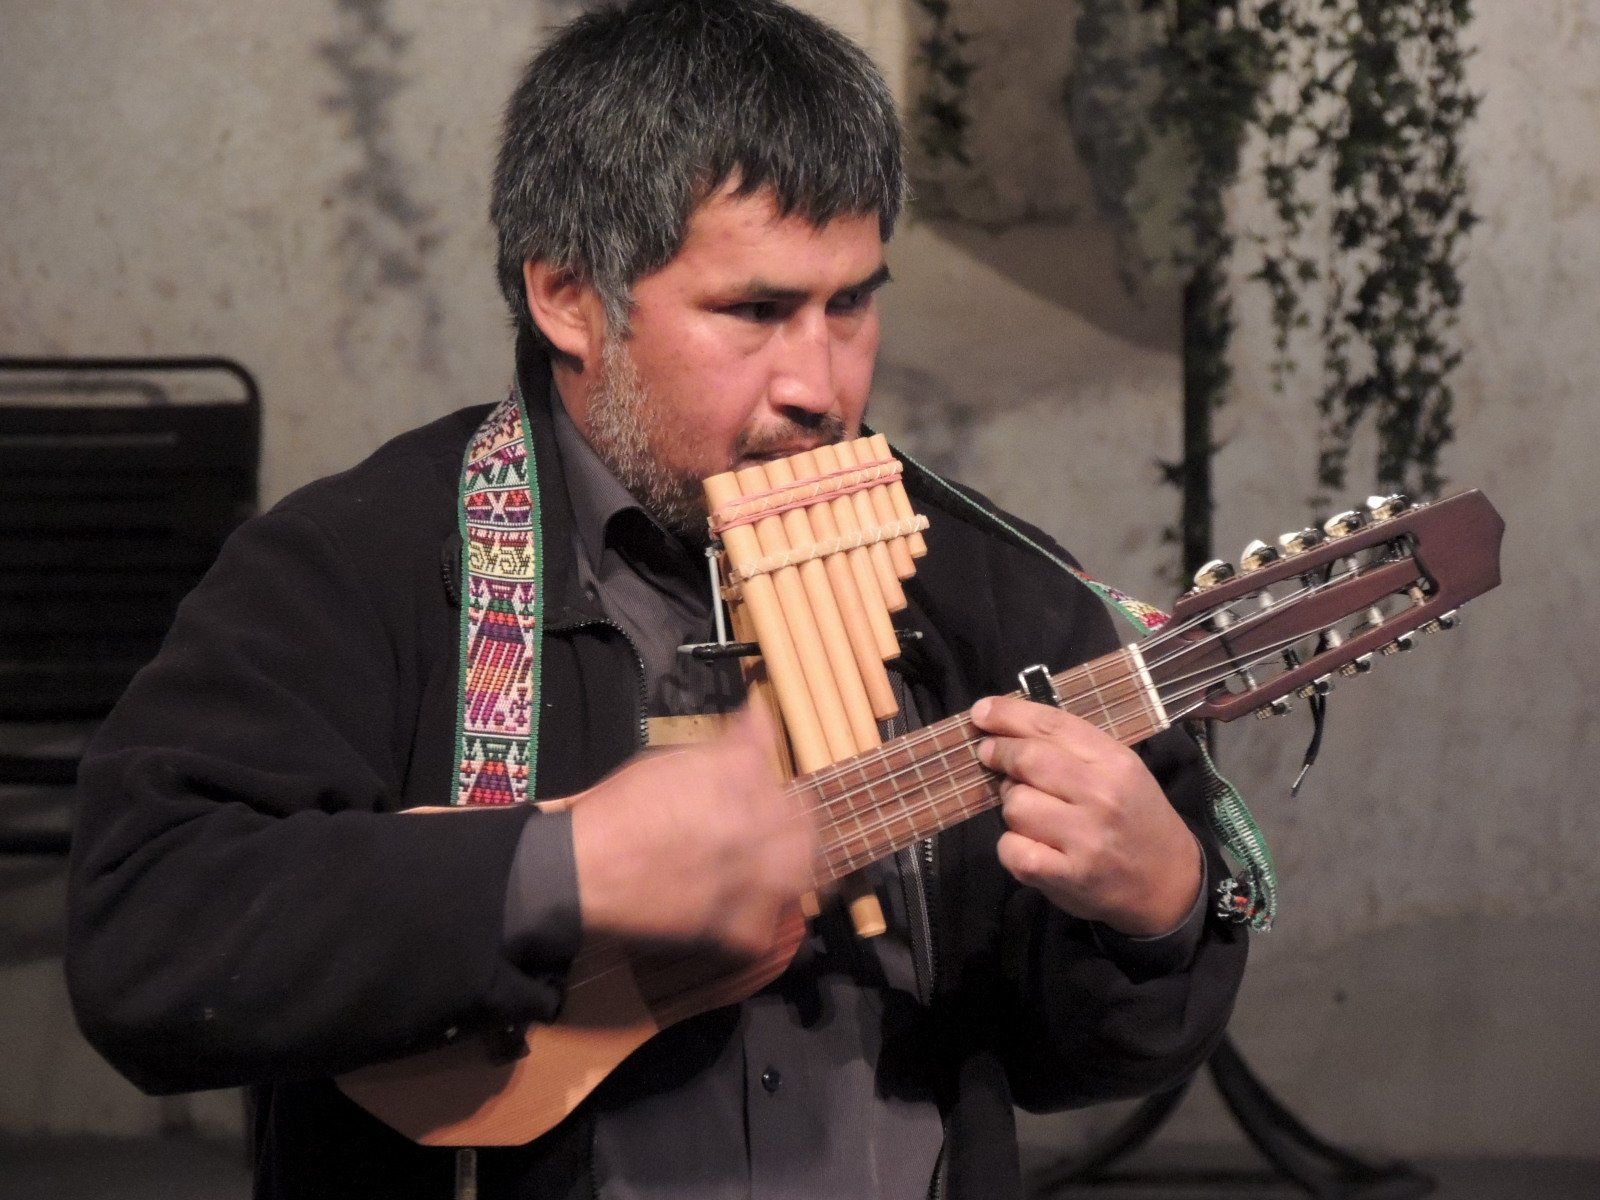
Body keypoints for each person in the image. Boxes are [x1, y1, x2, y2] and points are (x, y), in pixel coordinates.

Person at [66, 2, 1248, 1198]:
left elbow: (1076, 1054)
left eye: (850, 303)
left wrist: (1159, 908)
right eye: (757, 311)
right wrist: (556, 869)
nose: (820, 384)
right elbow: (144, 942)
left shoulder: (983, 581)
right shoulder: (356, 564)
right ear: (568, 296)